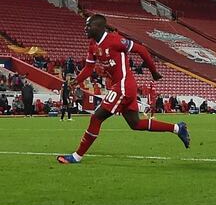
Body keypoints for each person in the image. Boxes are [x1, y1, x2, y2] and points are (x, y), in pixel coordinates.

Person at [56, 14, 190, 164]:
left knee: (96, 117)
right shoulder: (93, 45)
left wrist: (153, 71)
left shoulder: (115, 40)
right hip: (122, 86)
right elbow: (88, 68)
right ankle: (178, 128)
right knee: (136, 124)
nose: (85, 28)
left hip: (123, 85)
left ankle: (76, 156)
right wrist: (76, 81)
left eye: (89, 25)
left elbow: (142, 50)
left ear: (99, 27)